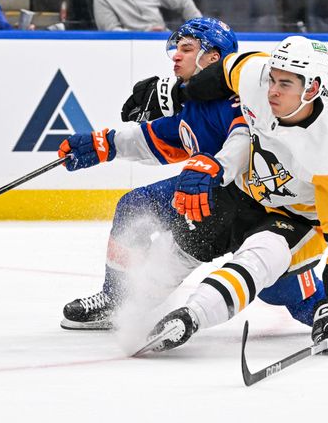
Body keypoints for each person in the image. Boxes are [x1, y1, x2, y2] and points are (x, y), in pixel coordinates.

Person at [124, 36, 328, 354]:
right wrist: (181, 95)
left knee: (282, 285)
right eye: (272, 79)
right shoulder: (255, 74)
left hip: (296, 216)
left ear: (312, 89)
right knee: (195, 237)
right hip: (245, 191)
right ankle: (124, 302)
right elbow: (220, 75)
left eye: (285, 84)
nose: (272, 90)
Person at [57, 17, 245, 329]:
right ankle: (115, 299)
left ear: (213, 57)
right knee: (134, 206)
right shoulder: (193, 105)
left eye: (187, 49)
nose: (176, 55)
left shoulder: (237, 102)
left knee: (291, 296)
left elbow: (244, 141)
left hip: (253, 204)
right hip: (204, 195)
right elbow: (155, 137)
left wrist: (217, 166)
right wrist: (103, 144)